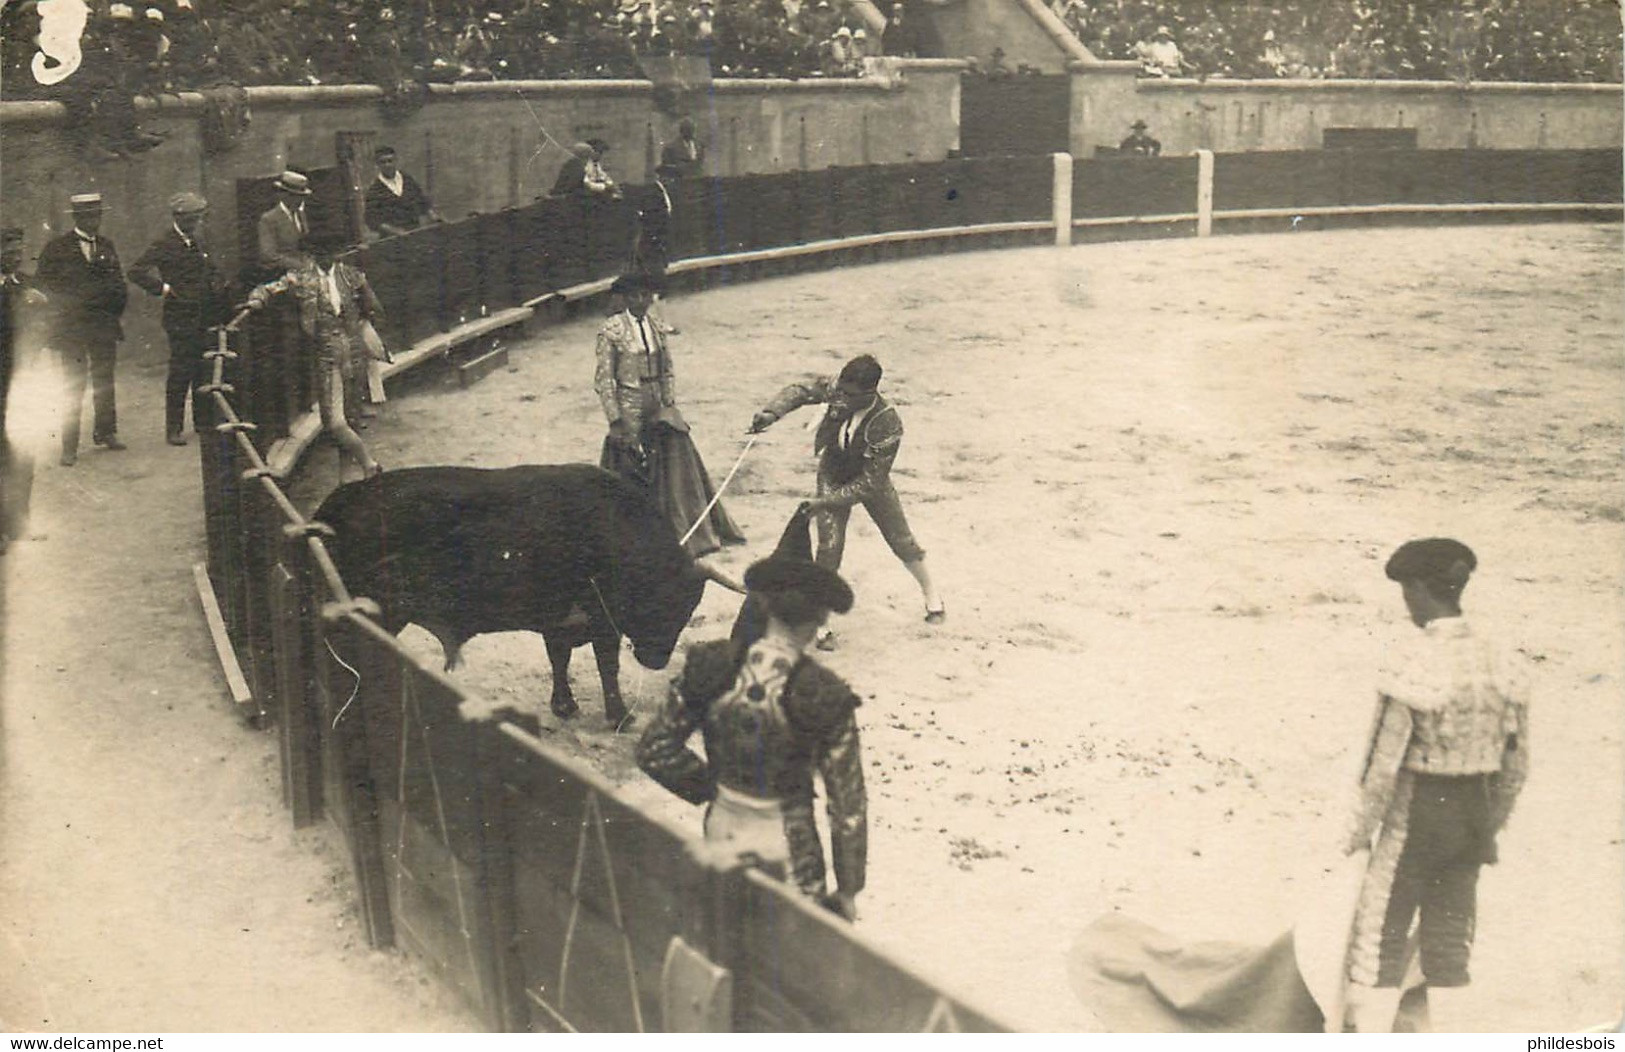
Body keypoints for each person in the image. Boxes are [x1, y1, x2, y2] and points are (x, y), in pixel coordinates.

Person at [636, 510, 866, 921]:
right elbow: (846, 809)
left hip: (722, 826)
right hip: (789, 846)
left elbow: (654, 749)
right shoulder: (826, 695)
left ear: (763, 605)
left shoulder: (711, 664)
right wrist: (848, 889)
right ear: (820, 621)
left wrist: (713, 787)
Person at [1341, 538, 1530, 1033]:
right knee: (1450, 933)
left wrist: (1357, 833)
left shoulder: (1415, 662)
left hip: (1418, 811)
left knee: (1380, 931)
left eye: (1407, 591)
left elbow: (1382, 768)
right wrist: (1490, 823)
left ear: (1421, 590)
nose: (1407, 603)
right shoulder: (1502, 660)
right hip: (1473, 814)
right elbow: (1516, 765)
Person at [748, 354, 943, 647]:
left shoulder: (888, 423)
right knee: (829, 547)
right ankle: (819, 623)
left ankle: (932, 594)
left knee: (900, 539)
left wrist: (824, 503)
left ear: (869, 393)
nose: (840, 399)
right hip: (833, 472)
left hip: (868, 481)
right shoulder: (840, 389)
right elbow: (801, 390)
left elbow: (869, 483)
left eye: (849, 395)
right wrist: (771, 413)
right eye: (840, 390)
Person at [595, 272, 743, 559]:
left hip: (657, 401)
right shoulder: (610, 330)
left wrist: (669, 403)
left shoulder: (657, 326)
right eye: (634, 295)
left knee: (673, 457)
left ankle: (678, 530)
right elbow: (604, 380)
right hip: (629, 404)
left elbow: (668, 369)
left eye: (645, 295)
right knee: (629, 464)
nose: (641, 300)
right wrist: (615, 420)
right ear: (624, 298)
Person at [245, 232, 384, 478]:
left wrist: (364, 321)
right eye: (322, 253)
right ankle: (368, 463)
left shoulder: (351, 275)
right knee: (333, 422)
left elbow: (374, 306)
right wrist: (256, 299)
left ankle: (346, 480)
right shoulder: (301, 278)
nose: (329, 257)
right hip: (326, 354)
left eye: (333, 252)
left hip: (353, 351)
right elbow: (267, 289)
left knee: (350, 418)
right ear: (312, 255)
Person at [127, 191, 230, 446]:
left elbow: (209, 269)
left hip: (202, 314)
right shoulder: (164, 242)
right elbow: (136, 271)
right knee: (180, 372)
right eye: (191, 219)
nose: (195, 223)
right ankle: (173, 429)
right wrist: (163, 288)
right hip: (179, 317)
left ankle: (202, 422)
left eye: (198, 218)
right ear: (179, 217)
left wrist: (217, 280)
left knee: (202, 370)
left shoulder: (197, 241)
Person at [36, 192, 128, 465]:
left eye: (97, 215)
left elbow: (119, 285)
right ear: (76, 218)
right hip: (72, 330)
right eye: (87, 215)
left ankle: (106, 431)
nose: (94, 220)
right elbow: (43, 287)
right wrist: (63, 316)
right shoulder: (57, 248)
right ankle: (69, 446)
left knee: (104, 381)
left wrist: (112, 315)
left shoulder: (107, 245)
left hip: (102, 326)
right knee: (73, 385)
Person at [1, 227, 44, 553]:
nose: (16, 257)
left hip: (25, 381)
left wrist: (39, 306)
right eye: (8, 251)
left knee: (23, 452)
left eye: (18, 251)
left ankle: (19, 525)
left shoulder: (25, 284)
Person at [363, 145, 441, 238]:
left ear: (396, 161)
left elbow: (422, 201)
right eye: (383, 162)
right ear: (377, 165)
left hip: (414, 232)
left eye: (390, 161)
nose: (387, 165)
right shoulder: (374, 191)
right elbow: (372, 219)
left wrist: (433, 216)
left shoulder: (408, 181)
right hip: (392, 239)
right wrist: (395, 231)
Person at [255, 169, 311, 279]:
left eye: (302, 197)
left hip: (303, 274)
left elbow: (304, 245)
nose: (300, 201)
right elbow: (268, 255)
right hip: (279, 275)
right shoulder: (269, 219)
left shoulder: (301, 215)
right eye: (296, 196)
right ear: (284, 195)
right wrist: (299, 265)